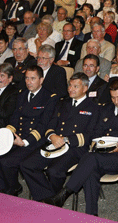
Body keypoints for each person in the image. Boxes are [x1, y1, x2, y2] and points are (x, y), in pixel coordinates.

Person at [44, 79, 118, 216]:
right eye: (113, 97)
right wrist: (98, 144)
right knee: (90, 170)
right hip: (102, 153)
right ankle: (91, 215)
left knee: (90, 160)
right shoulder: (105, 109)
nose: (116, 101)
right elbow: (95, 133)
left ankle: (65, 193)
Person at [18, 72, 100, 202]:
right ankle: (50, 198)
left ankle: (49, 200)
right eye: (70, 85)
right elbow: (50, 124)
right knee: (26, 165)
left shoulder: (94, 108)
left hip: (74, 148)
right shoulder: (62, 103)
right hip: (54, 142)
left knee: (54, 171)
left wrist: (65, 140)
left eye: (75, 86)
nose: (70, 89)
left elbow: (92, 134)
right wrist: (52, 136)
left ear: (85, 88)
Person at [0, 66, 58, 196]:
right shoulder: (22, 94)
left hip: (34, 141)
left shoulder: (49, 97)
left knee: (7, 162)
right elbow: (15, 118)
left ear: (41, 80)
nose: (29, 82)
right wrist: (8, 135)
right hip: (17, 136)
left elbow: (43, 125)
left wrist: (25, 142)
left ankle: (13, 189)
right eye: (27, 78)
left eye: (33, 79)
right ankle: (0, 190)